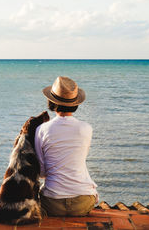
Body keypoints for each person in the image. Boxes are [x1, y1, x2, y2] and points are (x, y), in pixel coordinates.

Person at [35, 76, 98, 217]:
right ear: (75, 103)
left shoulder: (42, 130)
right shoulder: (86, 128)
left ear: (51, 101)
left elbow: (42, 172)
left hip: (52, 204)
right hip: (82, 203)